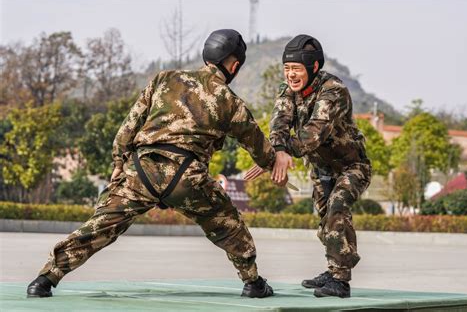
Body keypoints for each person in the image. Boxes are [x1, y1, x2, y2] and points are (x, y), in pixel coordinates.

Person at [27, 29, 282, 299]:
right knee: (228, 224)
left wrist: (118, 162)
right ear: (235, 65)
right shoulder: (229, 100)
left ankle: (45, 279)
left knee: (101, 225)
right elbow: (257, 145)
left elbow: (129, 126)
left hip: (142, 170)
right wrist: (274, 161)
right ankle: (253, 283)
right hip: (187, 177)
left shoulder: (165, 79)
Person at [246, 35, 372, 298]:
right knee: (326, 220)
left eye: (296, 69)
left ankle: (340, 280)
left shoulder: (333, 90)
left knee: (338, 208)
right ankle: (333, 267)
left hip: (351, 166)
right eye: (287, 69)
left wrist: (279, 153)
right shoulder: (287, 91)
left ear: (314, 68)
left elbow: (315, 133)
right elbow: (279, 123)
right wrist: (274, 154)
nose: (291, 75)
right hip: (320, 168)